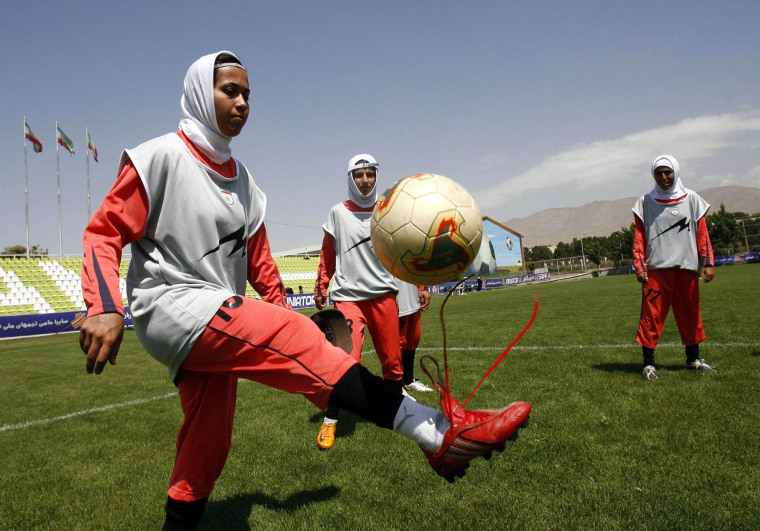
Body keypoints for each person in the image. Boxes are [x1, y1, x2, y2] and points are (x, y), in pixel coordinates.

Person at [78, 51, 530, 530]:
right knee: (296, 349)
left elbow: (260, 262)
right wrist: (104, 306)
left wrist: (282, 312)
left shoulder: (244, 180)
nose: (242, 102)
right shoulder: (158, 158)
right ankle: (439, 433)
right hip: (171, 304)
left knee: (207, 444)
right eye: (229, 90)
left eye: (247, 94)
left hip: (213, 314)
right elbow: (102, 233)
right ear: (197, 93)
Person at [314, 154, 407, 450]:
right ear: (350, 178)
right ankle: (330, 421)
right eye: (358, 175)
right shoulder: (337, 213)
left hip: (383, 295)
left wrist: (419, 284)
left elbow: (406, 247)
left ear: (376, 177)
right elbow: (328, 253)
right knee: (345, 360)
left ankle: (395, 412)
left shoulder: (387, 210)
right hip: (348, 297)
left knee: (392, 361)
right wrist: (321, 285)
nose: (364, 180)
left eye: (369, 174)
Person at [632, 154, 716, 381]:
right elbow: (639, 237)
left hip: (686, 269)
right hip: (656, 272)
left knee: (690, 315)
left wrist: (707, 262)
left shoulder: (692, 199)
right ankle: (648, 364)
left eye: (667, 172)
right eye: (658, 173)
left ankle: (693, 359)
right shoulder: (645, 203)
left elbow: (703, 234)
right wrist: (639, 264)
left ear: (676, 172)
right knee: (651, 318)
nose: (663, 177)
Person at [397, 280, 434, 392]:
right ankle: (397, 385)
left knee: (413, 338)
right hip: (396, 293)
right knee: (398, 340)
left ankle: (408, 381)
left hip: (413, 295)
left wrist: (422, 288)